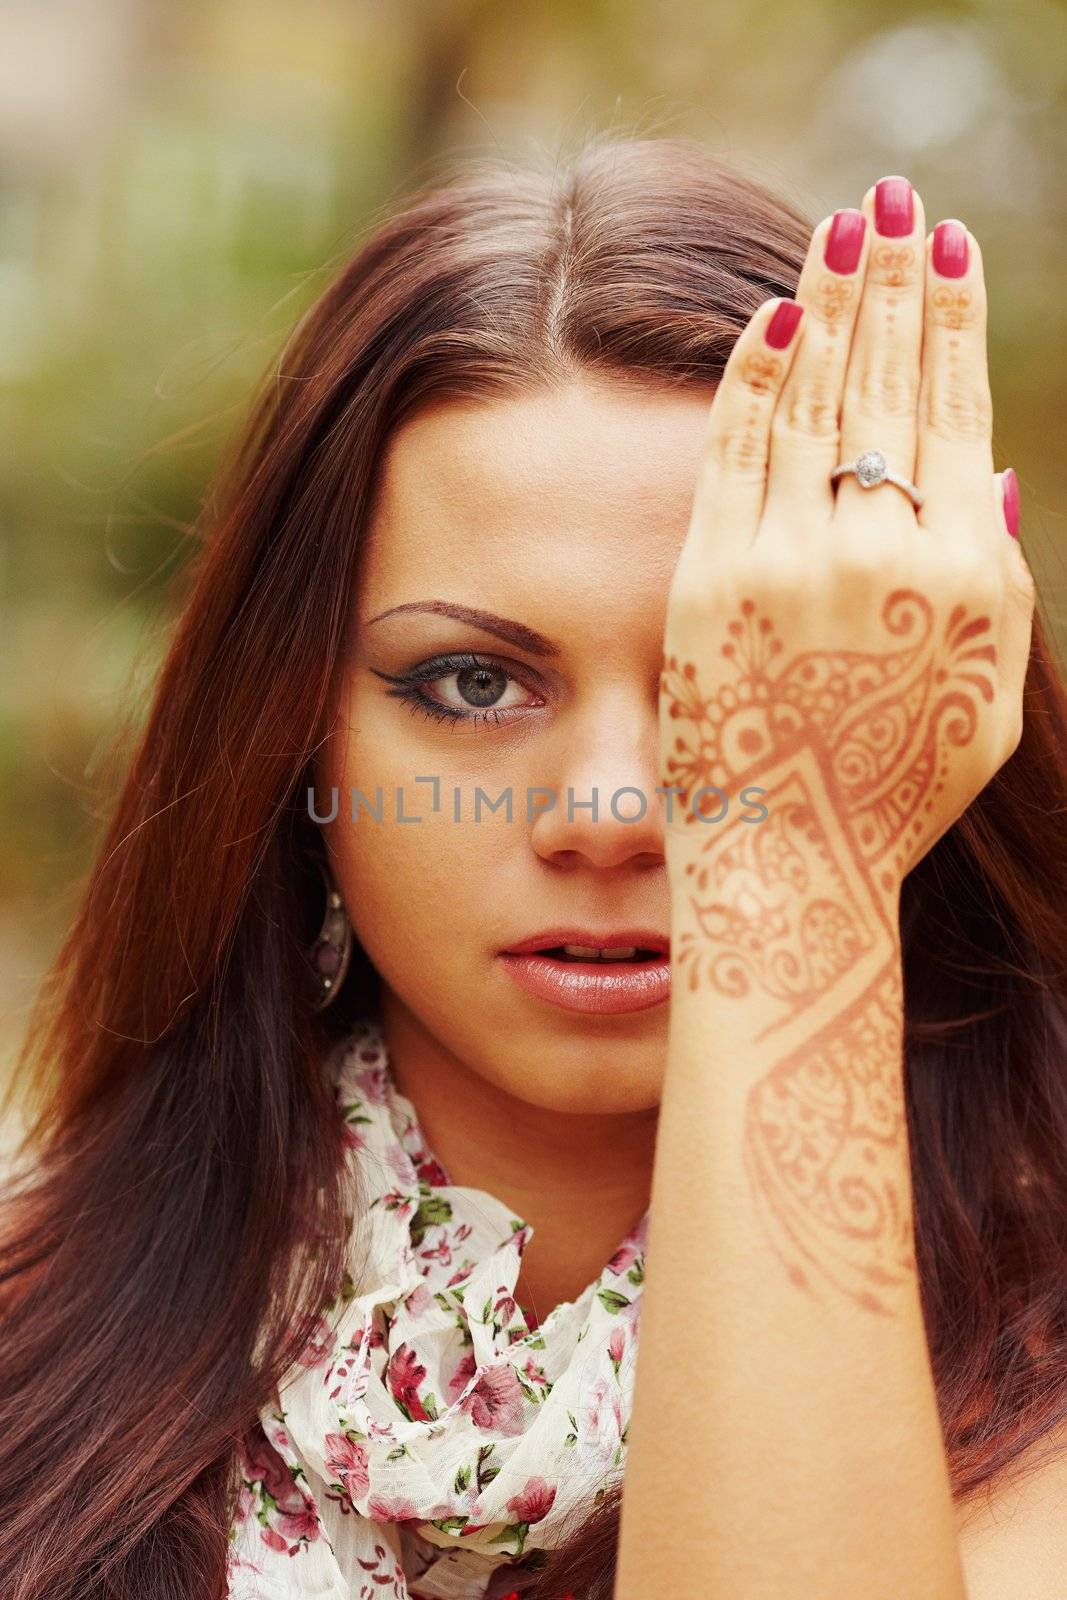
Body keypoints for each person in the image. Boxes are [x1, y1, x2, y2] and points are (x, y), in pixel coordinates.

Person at [1, 133, 1066, 1600]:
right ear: (293, 739)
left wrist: (806, 856)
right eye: (474, 685)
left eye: (731, 681)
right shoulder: (28, 1339)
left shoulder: (1038, 1387)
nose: (613, 812)